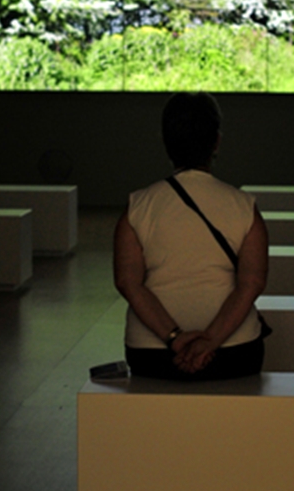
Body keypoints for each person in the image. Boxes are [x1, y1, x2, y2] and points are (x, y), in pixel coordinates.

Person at [114, 92, 269, 379]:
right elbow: (252, 283)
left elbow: (128, 283)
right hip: (234, 350)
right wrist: (210, 341)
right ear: (217, 142)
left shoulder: (137, 206)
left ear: (165, 141)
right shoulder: (244, 207)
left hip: (152, 352)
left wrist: (174, 338)